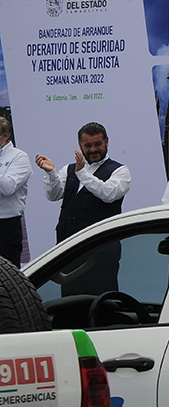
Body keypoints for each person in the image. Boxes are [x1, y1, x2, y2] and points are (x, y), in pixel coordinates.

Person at [36, 122, 130, 294]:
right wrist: (50, 173)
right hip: (69, 248)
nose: (93, 149)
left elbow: (108, 194)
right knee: (70, 300)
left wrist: (82, 174)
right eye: (88, 145)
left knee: (101, 299)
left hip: (101, 250)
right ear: (80, 145)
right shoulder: (69, 169)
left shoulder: (120, 171)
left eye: (98, 144)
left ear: (107, 141)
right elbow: (53, 195)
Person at [0, 117, 30, 266]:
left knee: (7, 275)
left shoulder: (19, 157)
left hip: (6, 226)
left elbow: (8, 187)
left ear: (5, 135)